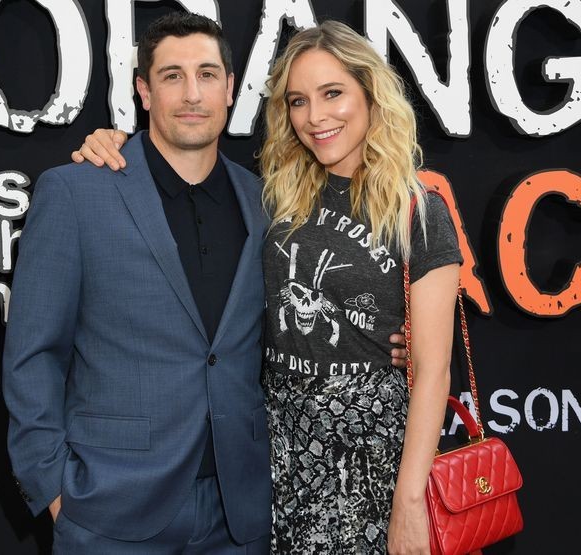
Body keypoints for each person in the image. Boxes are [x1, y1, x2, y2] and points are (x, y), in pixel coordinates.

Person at [73, 21, 459, 555]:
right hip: (275, 457)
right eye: (298, 101)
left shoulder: (417, 209)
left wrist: (410, 499)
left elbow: (434, 369)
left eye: (333, 93)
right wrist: (112, 141)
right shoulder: (274, 197)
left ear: (371, 93)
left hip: (372, 461)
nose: (316, 116)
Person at [3, 13, 271, 553]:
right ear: (144, 91)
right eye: (172, 76)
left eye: (207, 74)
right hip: (110, 510)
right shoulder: (77, 192)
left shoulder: (265, 201)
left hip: (239, 515)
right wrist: (52, 488)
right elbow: (33, 354)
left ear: (230, 88)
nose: (192, 93)